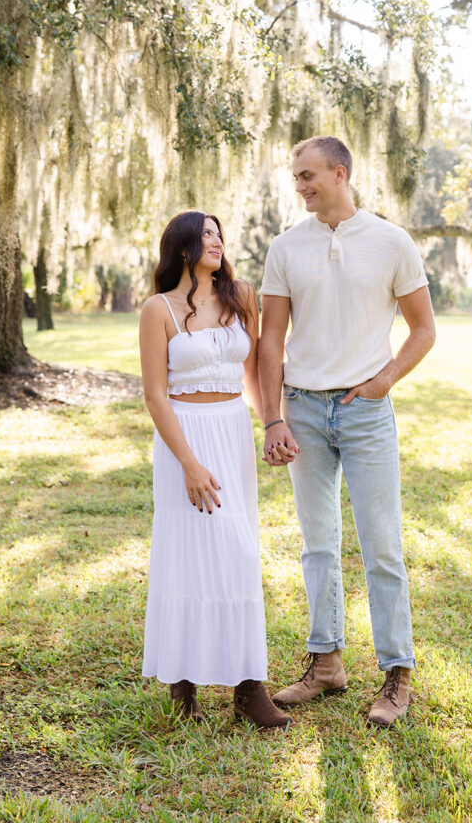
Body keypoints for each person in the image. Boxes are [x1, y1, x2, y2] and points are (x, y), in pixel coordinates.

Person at [258, 136, 435, 728]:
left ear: (340, 172)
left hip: (366, 412)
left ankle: (397, 675)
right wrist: (274, 416)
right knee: (318, 544)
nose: (300, 185)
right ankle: (326, 663)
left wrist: (385, 379)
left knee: (382, 545)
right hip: (303, 411)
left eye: (308, 175)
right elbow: (270, 343)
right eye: (296, 177)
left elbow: (423, 329)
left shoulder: (390, 242)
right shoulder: (285, 248)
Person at [139, 210, 292, 730]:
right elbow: (155, 397)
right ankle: (185, 687)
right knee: (188, 554)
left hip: (231, 432)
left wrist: (275, 423)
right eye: (205, 234)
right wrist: (188, 463)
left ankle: (250, 689)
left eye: (218, 233)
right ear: (182, 247)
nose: (216, 241)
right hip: (185, 436)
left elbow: (253, 372)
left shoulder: (240, 295)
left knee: (238, 551)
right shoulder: (157, 310)